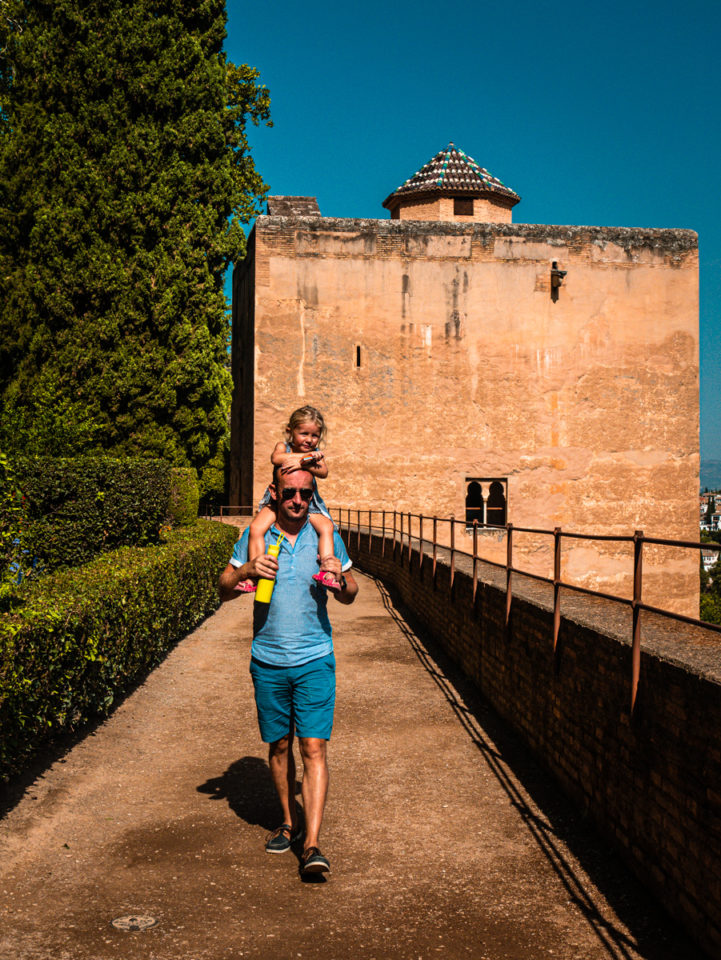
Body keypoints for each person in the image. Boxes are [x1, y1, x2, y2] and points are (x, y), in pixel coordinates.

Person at [218, 465, 358, 876]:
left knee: (313, 748)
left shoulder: (324, 536)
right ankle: (288, 822)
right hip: (268, 659)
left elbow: (351, 593)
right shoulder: (255, 536)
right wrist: (245, 571)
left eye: (305, 493)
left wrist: (339, 581)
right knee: (279, 747)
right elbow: (224, 589)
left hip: (316, 658)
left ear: (312, 495)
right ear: (276, 495)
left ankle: (312, 844)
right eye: (290, 493)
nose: (297, 500)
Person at [235, 406, 341, 593]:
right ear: (290, 432)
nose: (309, 440)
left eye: (315, 435)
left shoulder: (315, 452)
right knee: (256, 528)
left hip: (310, 503)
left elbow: (324, 471)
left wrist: (302, 462)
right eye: (304, 433)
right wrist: (305, 458)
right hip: (278, 501)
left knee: (327, 527)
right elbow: (276, 459)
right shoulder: (283, 447)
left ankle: (327, 572)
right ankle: (254, 576)